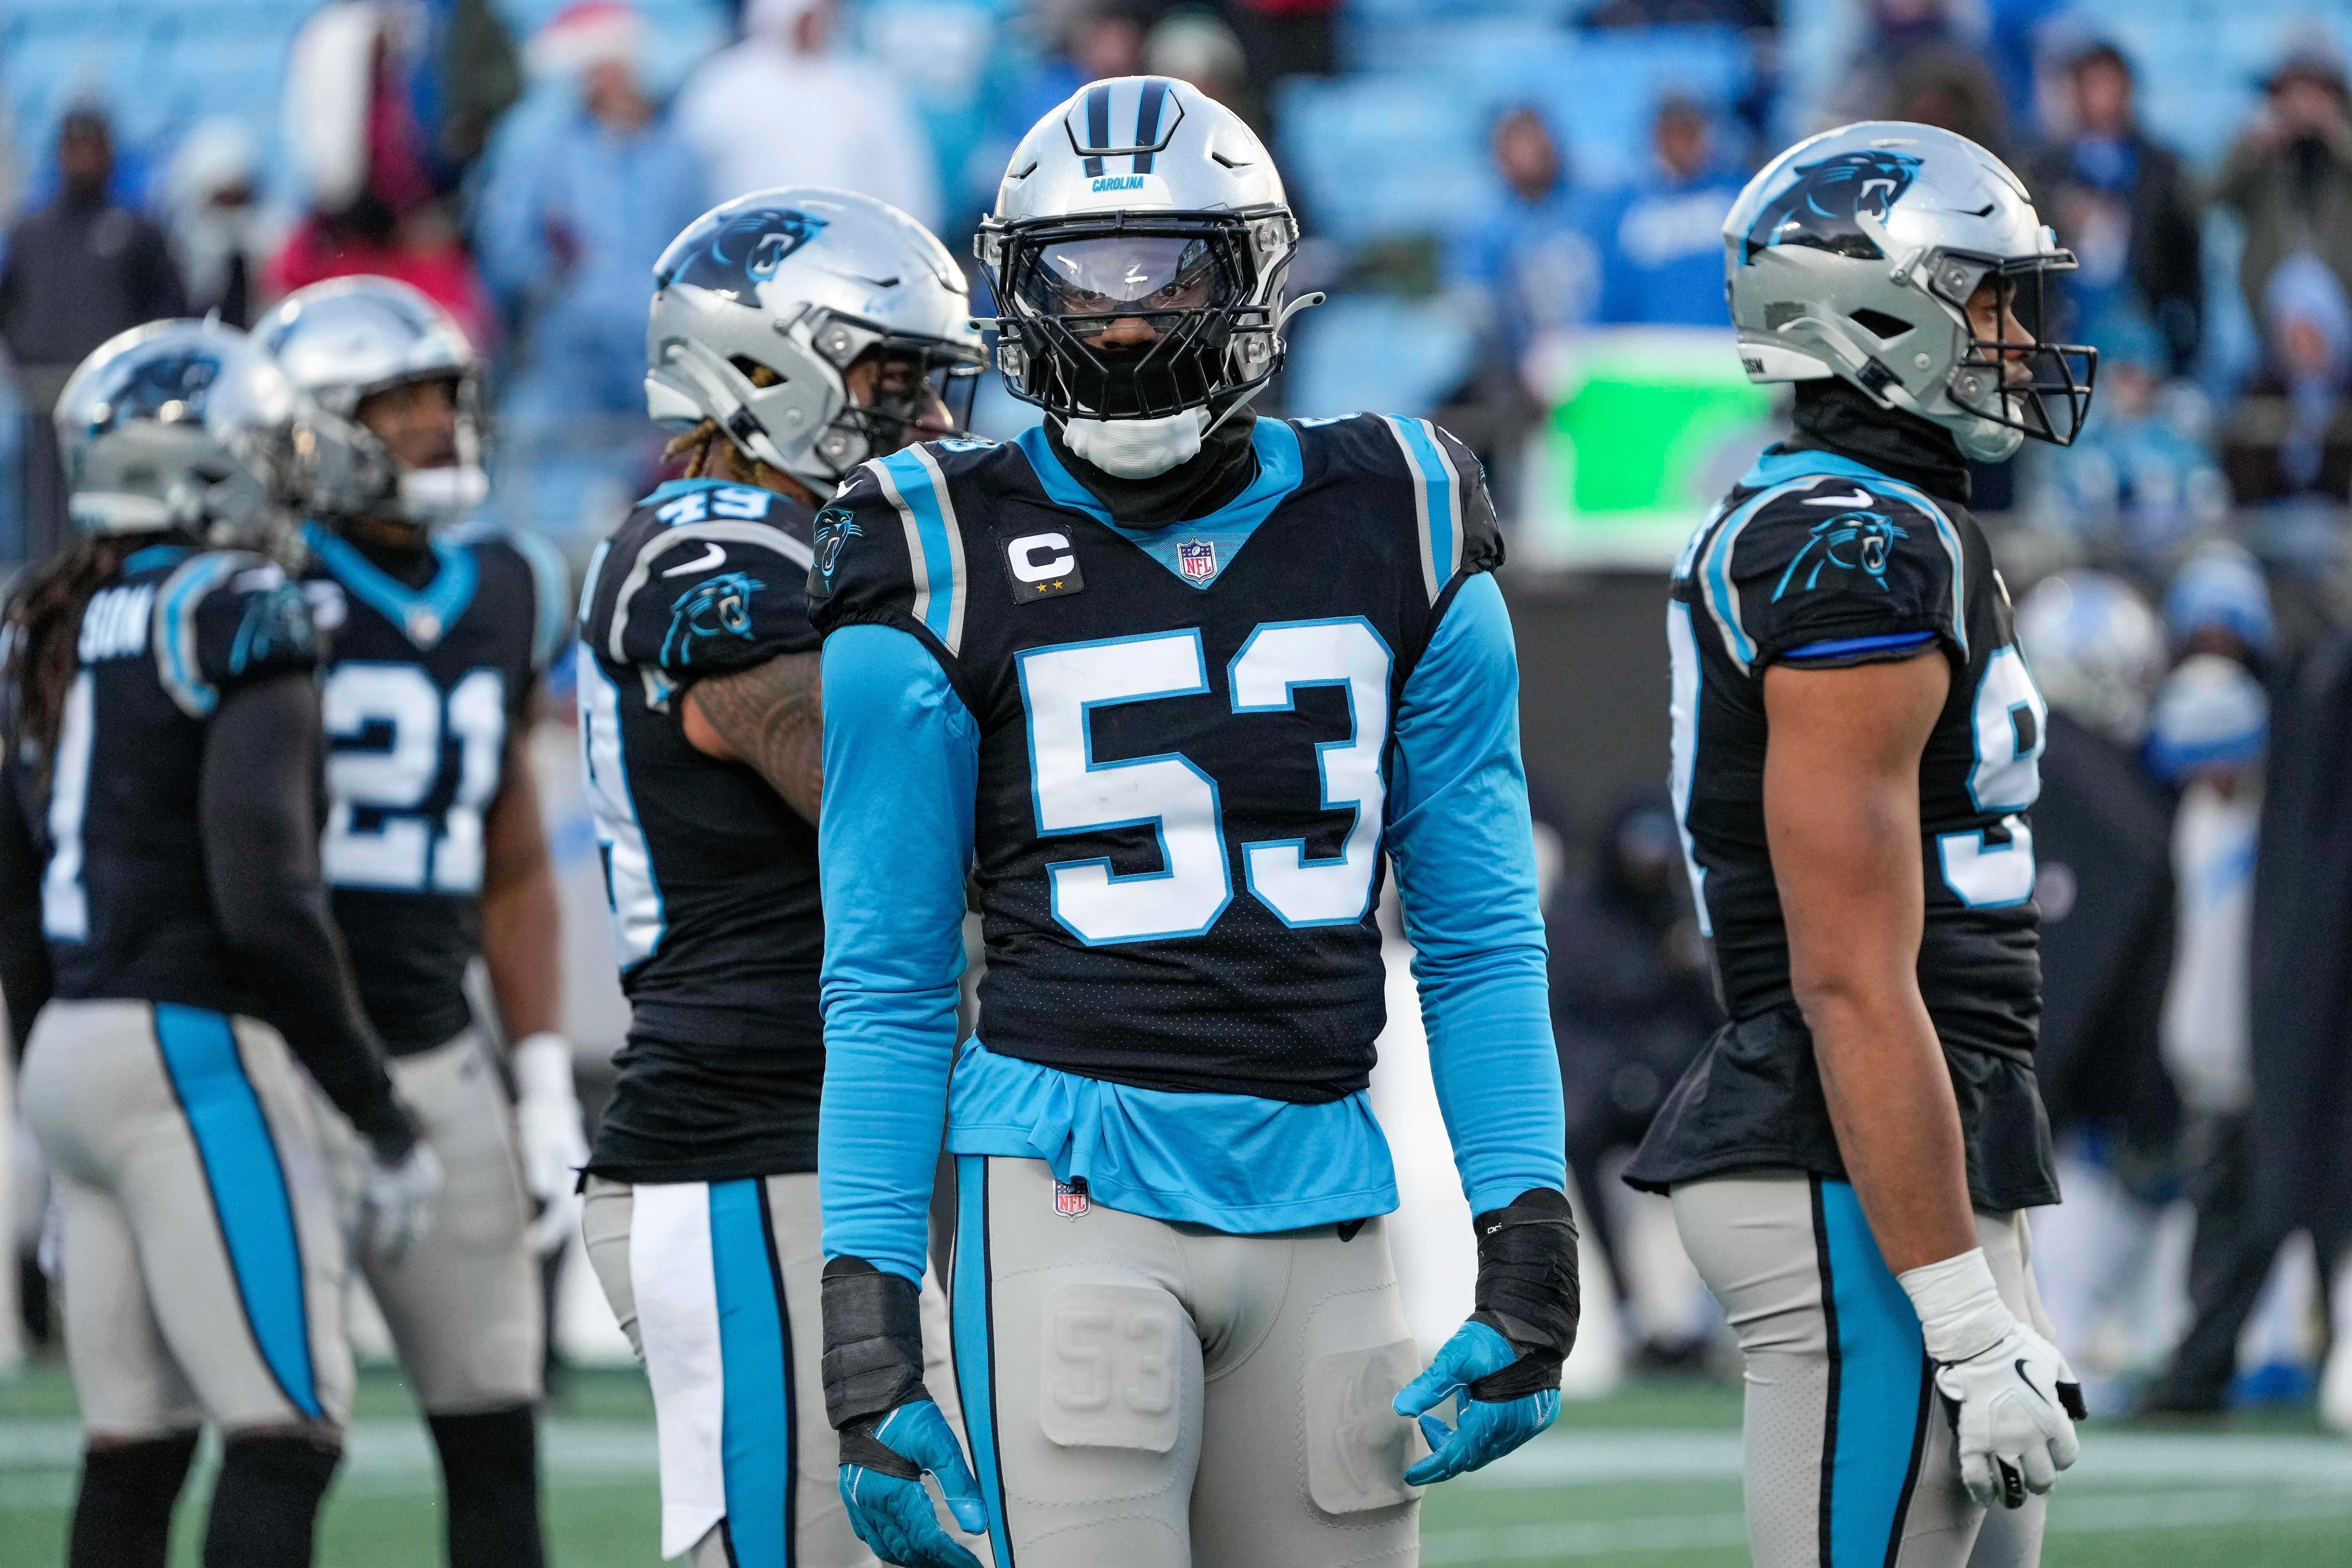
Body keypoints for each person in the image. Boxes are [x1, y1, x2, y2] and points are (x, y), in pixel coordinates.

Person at [812, 76, 1579, 1568]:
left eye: (1162, 271)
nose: (1119, 322)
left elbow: (1483, 938)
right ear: (1016, 293)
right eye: (1079, 280)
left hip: (1332, 1192)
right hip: (1067, 1190)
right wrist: (866, 1326)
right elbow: (890, 981)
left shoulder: (1404, 510)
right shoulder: (929, 548)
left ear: (1255, 279)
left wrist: (1528, 1234)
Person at [1627, 121, 2095, 1566]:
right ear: (1877, 310)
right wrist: (1958, 1315)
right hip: (1845, 1163)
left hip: (1908, 1148)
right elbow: (1848, 976)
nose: (2020, 337)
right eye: (1992, 297)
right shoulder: (1853, 543)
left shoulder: (1897, 522)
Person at [573, 186, 986, 1568]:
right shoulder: (700, 548)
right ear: (764, 362)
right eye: (894, 379)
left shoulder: (842, 547)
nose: (930, 421)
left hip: (839, 1145)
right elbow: (869, 790)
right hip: (740, 1149)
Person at [0, 319, 437, 1568]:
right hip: (185, 1047)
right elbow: (268, 898)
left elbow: (17, 907)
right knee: (286, 1426)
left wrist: (43, 1103)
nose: (283, 473)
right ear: (194, 462)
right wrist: (377, 1108)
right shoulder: (238, 606)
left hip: (73, 1045)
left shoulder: (45, 617)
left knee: (130, 1445)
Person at [251, 277, 582, 1568]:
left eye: (445, 397)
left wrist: (543, 1073)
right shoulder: (262, 581)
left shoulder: (507, 585)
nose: (438, 426)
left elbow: (510, 857)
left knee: (497, 1428)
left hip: (443, 1057)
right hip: (282, 1059)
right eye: (399, 405)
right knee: (281, 1437)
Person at [474, 0, 711, 550]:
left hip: (657, 354)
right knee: (544, 479)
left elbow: (703, 252)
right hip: (567, 352)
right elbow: (505, 243)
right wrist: (553, 277)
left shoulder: (678, 154)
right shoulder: (544, 146)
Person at [1547, 792, 1720, 1361]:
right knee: (1576, 1150)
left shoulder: (1685, 920)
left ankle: (1704, 1314)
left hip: (1679, 1096)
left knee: (1722, 1162)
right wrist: (1614, 1076)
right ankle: (1628, 1310)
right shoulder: (1577, 923)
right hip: (1605, 1095)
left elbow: (1713, 1020)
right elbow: (1563, 1015)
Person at [0, 106, 188, 560]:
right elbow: (10, 305)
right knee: (47, 522)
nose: (84, 158)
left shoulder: (138, 231)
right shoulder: (32, 232)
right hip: (47, 406)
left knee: (114, 516)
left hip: (117, 411)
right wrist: (29, 367)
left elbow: (170, 307)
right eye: (75, 147)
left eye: (94, 146)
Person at [2022, 43, 2204, 377]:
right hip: (2064, 332)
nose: (2105, 97)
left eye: (2113, 85)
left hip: (2143, 330)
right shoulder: (2043, 169)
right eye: (2095, 85)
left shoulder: (2161, 168)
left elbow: (2185, 259)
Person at [676, 0, 940, 230]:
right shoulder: (720, 87)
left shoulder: (867, 90)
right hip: (741, 257)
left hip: (846, 263)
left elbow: (904, 191)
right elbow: (683, 186)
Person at [2215, 45, 2352, 343]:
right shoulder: (2259, 147)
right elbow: (2203, 198)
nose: (2305, 105)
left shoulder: (2343, 145)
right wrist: (2253, 149)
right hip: (2271, 319)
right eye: (2296, 92)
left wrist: (2337, 137)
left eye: (2316, 92)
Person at [1595, 97, 1747, 328]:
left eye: (1689, 134)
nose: (1680, 144)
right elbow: (1614, 291)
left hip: (1724, 345)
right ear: (1656, 139)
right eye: (1671, 135)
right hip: (1654, 349)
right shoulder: (1628, 212)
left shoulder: (1738, 198)